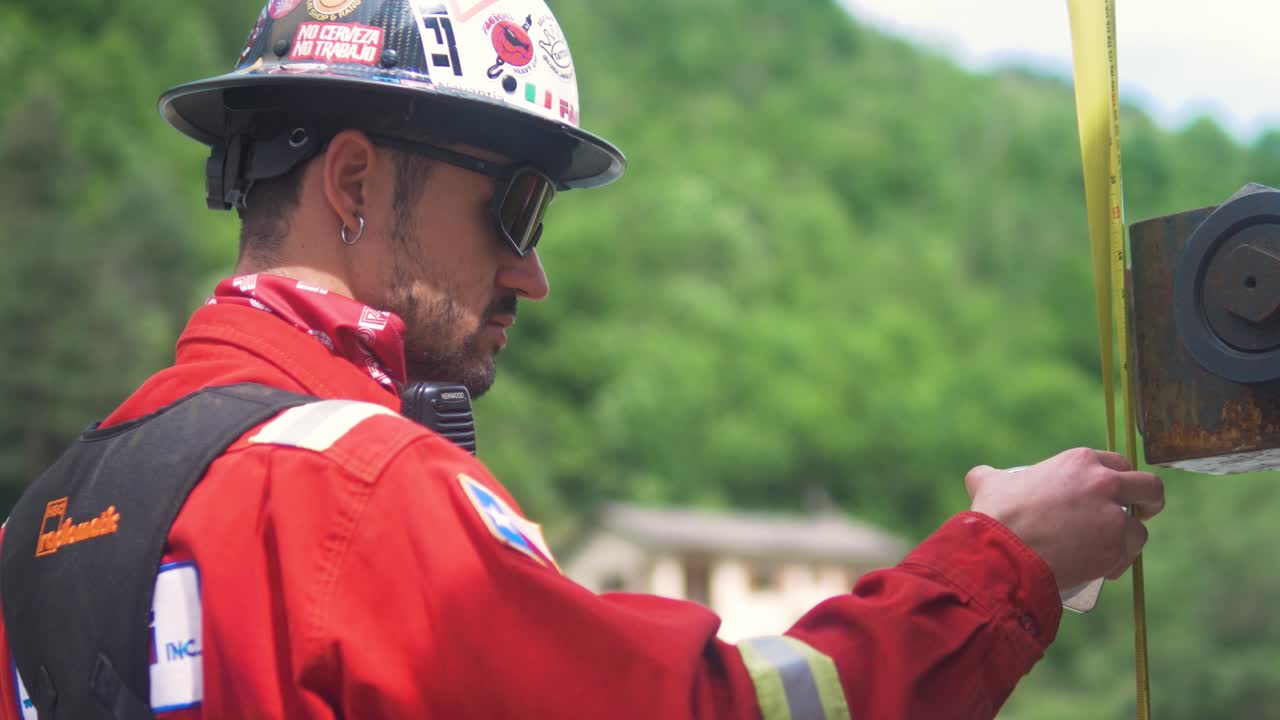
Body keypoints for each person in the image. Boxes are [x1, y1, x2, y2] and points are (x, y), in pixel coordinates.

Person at [0, 0, 1164, 718]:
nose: (529, 273)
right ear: (350, 183)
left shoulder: (48, 520)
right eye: (512, 208)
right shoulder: (356, 491)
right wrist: (1003, 566)